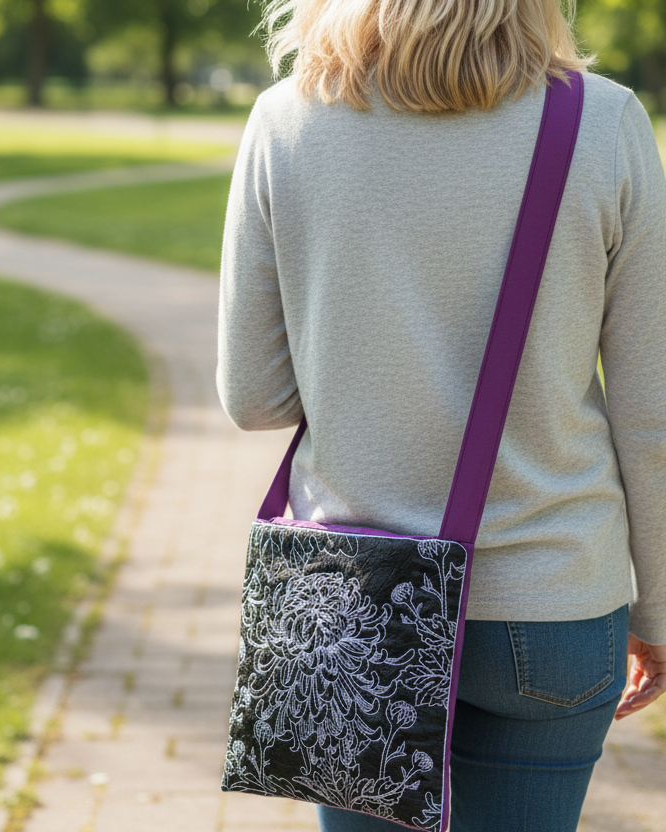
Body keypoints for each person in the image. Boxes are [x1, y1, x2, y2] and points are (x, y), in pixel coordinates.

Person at [216, 1, 666, 830]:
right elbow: (651, 415)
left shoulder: (286, 120)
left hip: (357, 603)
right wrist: (661, 612)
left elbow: (255, 398)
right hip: (551, 603)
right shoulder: (605, 122)